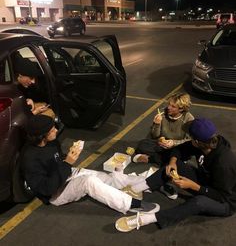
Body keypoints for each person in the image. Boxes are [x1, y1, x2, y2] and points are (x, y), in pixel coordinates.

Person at [22, 114, 160, 215]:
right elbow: (46, 189)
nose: (56, 131)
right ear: (41, 135)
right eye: (52, 130)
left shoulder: (51, 142)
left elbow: (58, 160)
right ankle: (131, 204)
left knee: (107, 178)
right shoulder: (30, 158)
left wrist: (69, 155)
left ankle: (150, 183)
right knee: (89, 182)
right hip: (55, 193)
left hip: (66, 173)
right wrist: (67, 163)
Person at [115, 118, 236, 232]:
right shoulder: (207, 142)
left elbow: (222, 196)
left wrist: (193, 186)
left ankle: (147, 219)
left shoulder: (224, 163)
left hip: (226, 201)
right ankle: (136, 190)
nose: (189, 139)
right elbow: (180, 149)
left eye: (190, 137)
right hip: (208, 182)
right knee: (174, 165)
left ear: (197, 141)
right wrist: (172, 162)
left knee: (199, 202)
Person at [132, 93, 194, 165]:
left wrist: (174, 143)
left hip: (178, 147)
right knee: (142, 145)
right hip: (162, 146)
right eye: (169, 104)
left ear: (181, 109)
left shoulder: (189, 119)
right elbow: (154, 136)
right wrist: (157, 124)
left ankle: (151, 159)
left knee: (184, 153)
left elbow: (190, 141)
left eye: (173, 106)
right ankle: (171, 161)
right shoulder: (163, 113)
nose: (168, 107)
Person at [13, 52, 55, 118]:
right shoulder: (11, 89)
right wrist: (36, 111)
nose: (33, 82)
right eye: (31, 78)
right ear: (20, 75)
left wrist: (28, 99)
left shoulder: (23, 86)